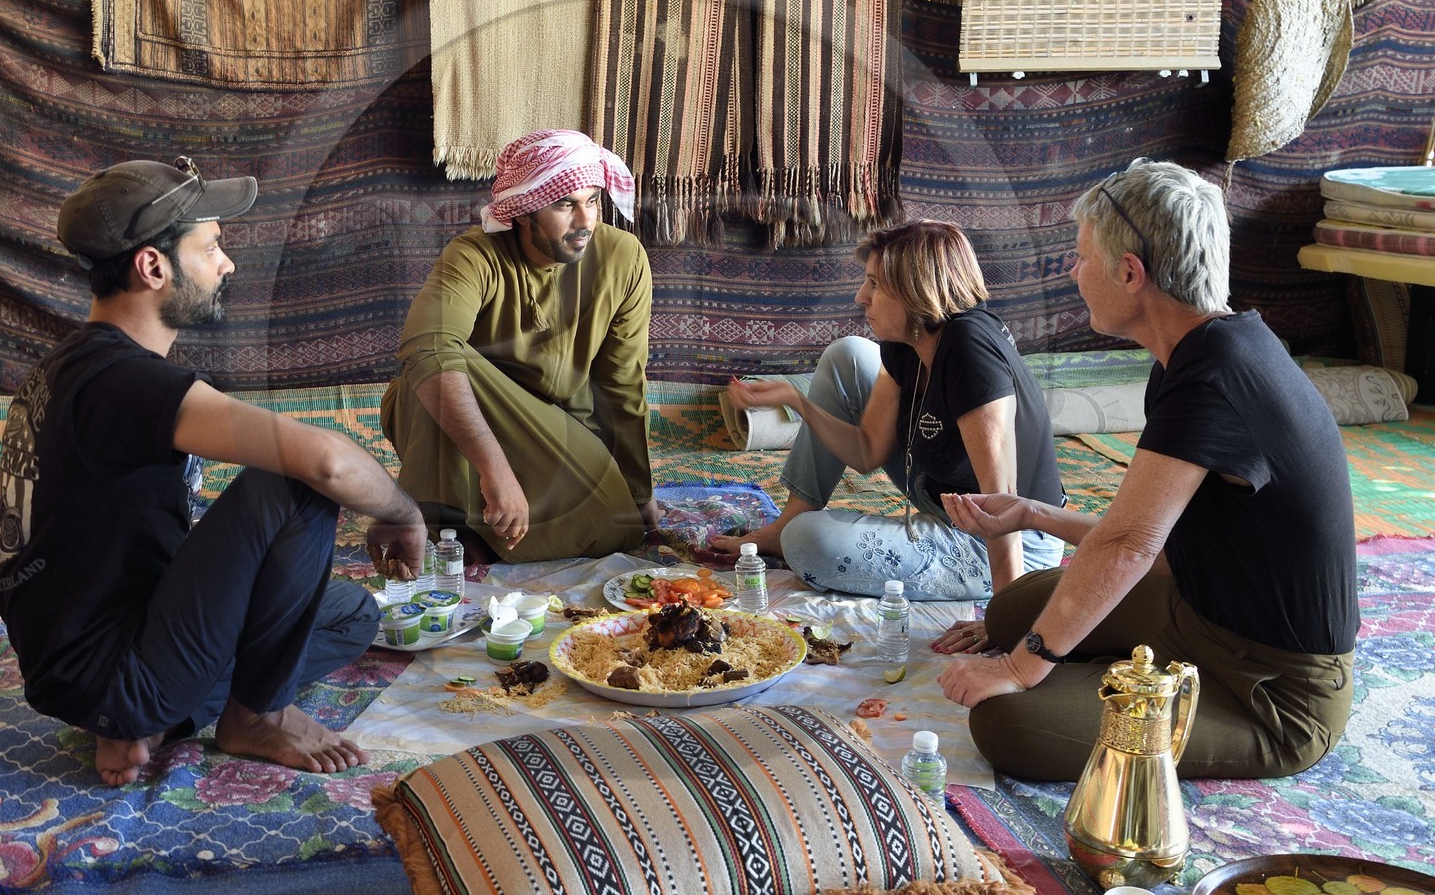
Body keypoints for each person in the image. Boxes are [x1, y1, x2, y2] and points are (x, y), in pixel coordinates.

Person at [0, 156, 427, 787]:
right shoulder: (122, 381)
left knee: (351, 615)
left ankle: (149, 721)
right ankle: (253, 718)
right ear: (152, 266)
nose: (226, 264)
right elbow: (326, 460)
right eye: (212, 247)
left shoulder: (81, 365)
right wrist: (404, 512)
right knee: (290, 483)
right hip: (108, 668)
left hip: (102, 653)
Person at [938, 158, 1358, 781]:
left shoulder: (1215, 377)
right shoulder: (1197, 353)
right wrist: (1032, 514)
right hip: (1197, 611)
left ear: (1130, 272)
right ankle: (1101, 670)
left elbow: (1132, 546)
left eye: (1080, 257)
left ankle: (1102, 680)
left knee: (1009, 723)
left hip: (1273, 693)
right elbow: (1155, 541)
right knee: (1010, 615)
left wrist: (1020, 668)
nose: (1072, 272)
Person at [712, 220, 1065, 632]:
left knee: (807, 542)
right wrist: (797, 402)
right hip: (942, 495)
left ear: (916, 290)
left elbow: (1003, 503)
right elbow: (867, 452)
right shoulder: (908, 343)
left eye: (875, 285)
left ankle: (795, 533)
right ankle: (785, 522)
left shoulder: (970, 351)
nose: (861, 297)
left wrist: (1007, 619)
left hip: (1009, 540)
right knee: (847, 354)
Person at [381, 129, 660, 562]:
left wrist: (638, 492)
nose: (585, 221)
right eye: (565, 204)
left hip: (559, 428)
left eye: (592, 201)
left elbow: (622, 383)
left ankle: (483, 522)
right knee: (433, 360)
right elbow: (426, 346)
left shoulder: (623, 257)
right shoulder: (475, 254)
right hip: (469, 432)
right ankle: (442, 524)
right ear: (524, 211)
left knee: (613, 533)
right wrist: (496, 470)